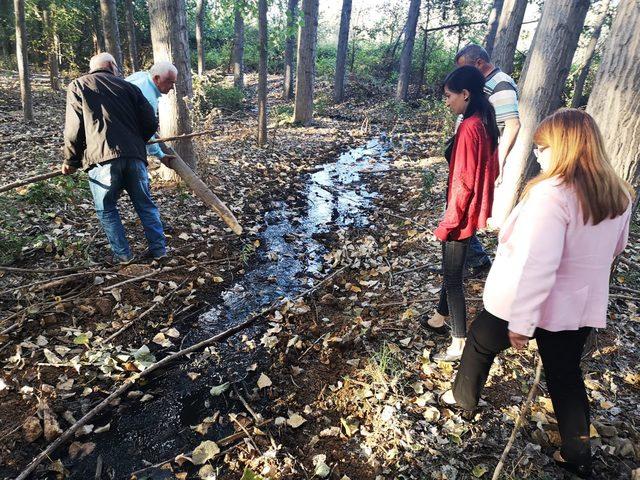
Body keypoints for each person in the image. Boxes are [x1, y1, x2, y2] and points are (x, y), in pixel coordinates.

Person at [440, 109, 633, 478]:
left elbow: (539, 263)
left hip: (526, 300)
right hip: (578, 307)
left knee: (480, 343)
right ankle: (577, 452)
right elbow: (617, 247)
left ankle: (461, 400)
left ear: (564, 147)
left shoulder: (552, 194)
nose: (539, 155)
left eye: (543, 147)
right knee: (565, 375)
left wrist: (523, 322)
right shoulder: (620, 193)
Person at [62, 53, 168, 264]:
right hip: (135, 158)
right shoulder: (129, 88)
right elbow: (150, 122)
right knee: (145, 205)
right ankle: (160, 251)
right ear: (111, 65)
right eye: (117, 66)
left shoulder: (79, 85)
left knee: (107, 208)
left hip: (102, 159)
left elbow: (74, 128)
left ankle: (124, 257)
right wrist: (137, 142)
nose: (118, 70)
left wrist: (71, 160)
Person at [425, 66, 499, 362]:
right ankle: (438, 319)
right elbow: (488, 171)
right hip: (469, 212)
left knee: (453, 278)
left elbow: (464, 182)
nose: (447, 101)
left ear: (465, 94)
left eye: (449, 96)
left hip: (461, 215)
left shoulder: (470, 127)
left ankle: (458, 343)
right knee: (451, 270)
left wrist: (449, 222)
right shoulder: (483, 119)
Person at [454, 44, 521, 276]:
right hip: (470, 158)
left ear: (479, 63)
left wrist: (498, 163)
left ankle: (472, 262)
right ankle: (471, 261)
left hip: (480, 163)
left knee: (461, 210)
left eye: (466, 68)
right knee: (460, 210)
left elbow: (512, 125)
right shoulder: (483, 84)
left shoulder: (501, 84)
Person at [125, 61, 178, 164]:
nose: (172, 87)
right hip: (129, 150)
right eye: (170, 82)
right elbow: (147, 131)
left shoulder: (140, 76)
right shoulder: (148, 99)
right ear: (157, 78)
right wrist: (160, 155)